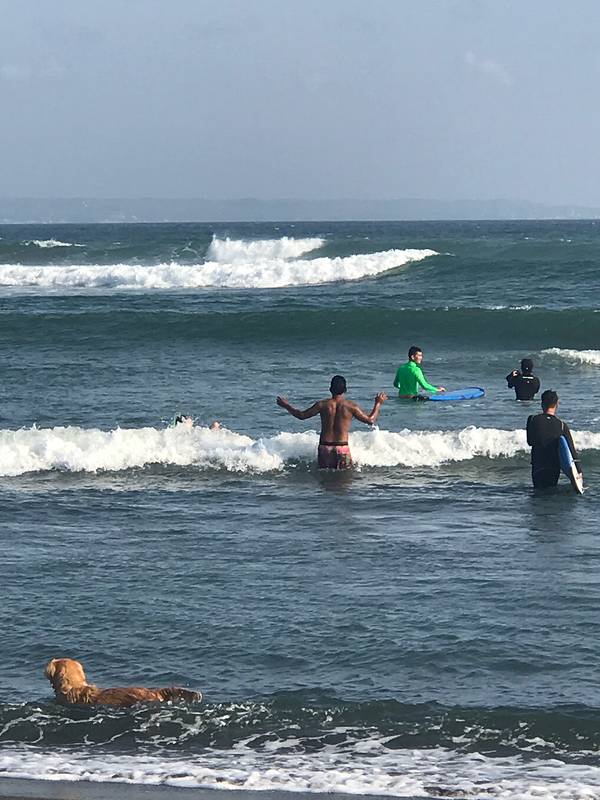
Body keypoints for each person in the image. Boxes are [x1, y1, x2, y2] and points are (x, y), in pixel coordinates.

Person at [276, 375, 387, 469]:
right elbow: (370, 420)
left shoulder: (322, 405)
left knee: (325, 481)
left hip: (325, 447)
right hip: (342, 448)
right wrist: (378, 403)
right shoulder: (351, 406)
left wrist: (286, 405)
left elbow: (301, 416)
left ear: (330, 389)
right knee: (344, 481)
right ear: (345, 390)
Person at [526, 389, 579, 489]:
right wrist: (578, 472)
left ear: (542, 404)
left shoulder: (532, 419)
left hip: (538, 465)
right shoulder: (562, 425)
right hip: (554, 467)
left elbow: (530, 441)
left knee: (538, 493)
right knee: (551, 492)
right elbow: (571, 450)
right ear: (556, 404)